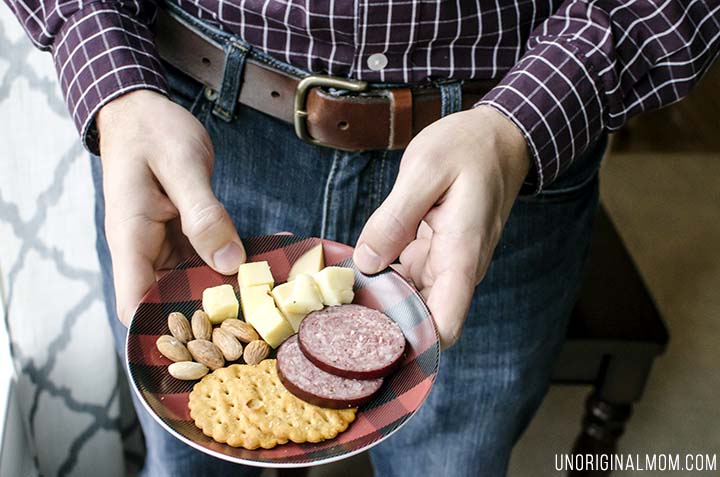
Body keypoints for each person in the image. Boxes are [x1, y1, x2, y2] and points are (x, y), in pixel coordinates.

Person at [4, 0, 719, 475]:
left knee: (456, 460)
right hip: (196, 132)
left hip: (499, 148)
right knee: (192, 461)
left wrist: (530, 119)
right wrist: (112, 80)